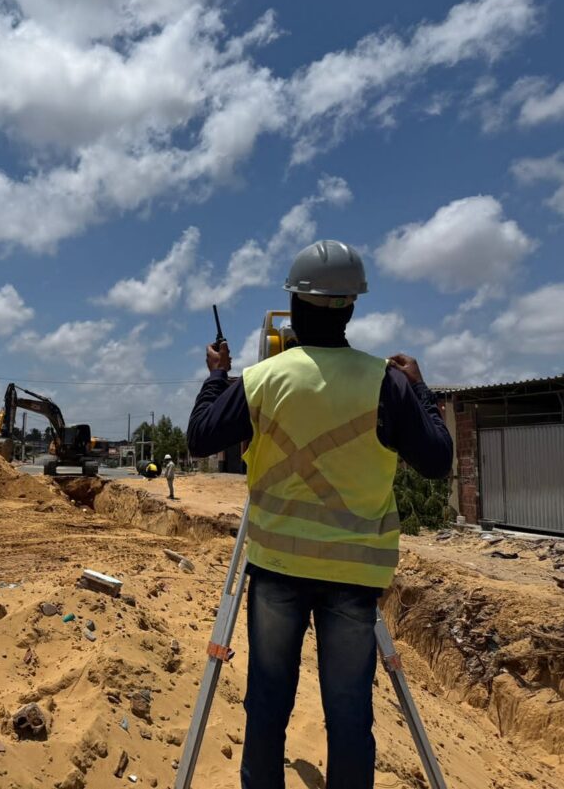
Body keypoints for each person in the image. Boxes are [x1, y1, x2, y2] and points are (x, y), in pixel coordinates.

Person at [186, 240, 452, 789]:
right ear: (351, 306)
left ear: (293, 304)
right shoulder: (387, 383)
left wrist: (218, 376)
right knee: (350, 714)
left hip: (277, 568)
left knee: (267, 704)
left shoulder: (263, 379)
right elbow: (437, 460)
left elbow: (200, 436)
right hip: (354, 578)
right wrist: (420, 388)